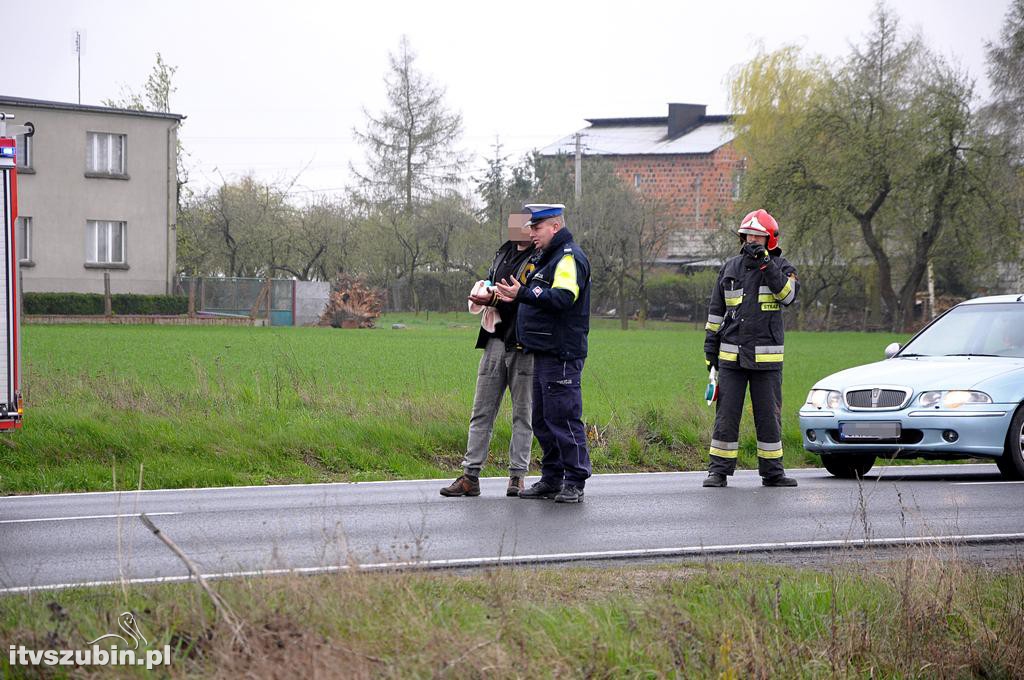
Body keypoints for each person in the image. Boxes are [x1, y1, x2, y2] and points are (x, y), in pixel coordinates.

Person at [494, 203, 592, 503]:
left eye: (536, 228)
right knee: (543, 420)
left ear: (555, 227)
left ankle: (574, 480)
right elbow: (537, 297)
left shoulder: (568, 258)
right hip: (542, 351)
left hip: (561, 353)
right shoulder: (545, 259)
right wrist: (514, 295)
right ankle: (552, 478)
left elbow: (563, 297)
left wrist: (523, 293)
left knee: (563, 417)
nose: (531, 233)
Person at [702, 209, 800, 488]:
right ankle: (718, 471)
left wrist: (767, 265)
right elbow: (715, 312)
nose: (752, 241)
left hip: (767, 360)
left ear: (770, 239)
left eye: (758, 236)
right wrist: (710, 349)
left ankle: (773, 472)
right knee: (726, 417)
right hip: (731, 357)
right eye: (748, 236)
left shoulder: (783, 267)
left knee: (769, 416)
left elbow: (788, 296)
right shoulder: (729, 268)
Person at [440, 220, 537, 497]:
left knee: (523, 413)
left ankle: (517, 477)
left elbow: (531, 298)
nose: (517, 230)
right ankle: (470, 476)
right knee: (481, 411)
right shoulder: (503, 252)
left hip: (524, 343)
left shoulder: (540, 259)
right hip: (495, 339)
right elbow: (493, 282)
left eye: (526, 224)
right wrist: (485, 290)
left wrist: (496, 300)